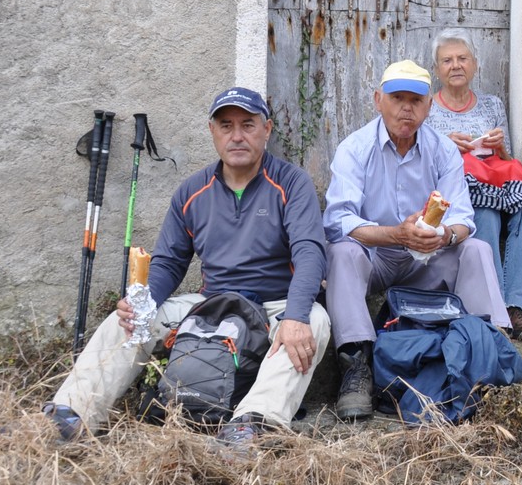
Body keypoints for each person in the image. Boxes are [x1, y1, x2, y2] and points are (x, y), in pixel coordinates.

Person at [43, 87, 331, 451]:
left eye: (248, 124)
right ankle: (70, 416)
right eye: (226, 126)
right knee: (127, 320)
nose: (237, 136)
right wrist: (143, 303)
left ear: (267, 129)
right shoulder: (192, 191)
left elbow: (309, 252)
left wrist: (296, 314)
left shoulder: (291, 183)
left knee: (314, 320)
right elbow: (169, 261)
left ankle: (250, 427)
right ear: (212, 131)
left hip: (274, 304)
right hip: (212, 303)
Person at [323, 60, 513, 421]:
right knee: (342, 252)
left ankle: (491, 351)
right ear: (378, 100)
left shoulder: (443, 150)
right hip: (375, 257)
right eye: (397, 98)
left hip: (427, 258)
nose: (406, 109)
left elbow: (463, 219)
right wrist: (396, 234)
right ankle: (356, 365)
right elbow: (338, 219)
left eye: (415, 100)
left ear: (429, 106)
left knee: (477, 248)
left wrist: (443, 236)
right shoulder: (355, 148)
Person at [424, 30, 522, 342]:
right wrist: (445, 146)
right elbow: (419, 167)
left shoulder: (492, 105)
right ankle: (495, 310)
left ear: (475, 64)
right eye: (447, 60)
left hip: (496, 185)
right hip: (458, 193)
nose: (456, 65)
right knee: (485, 214)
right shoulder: (427, 109)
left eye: (462, 58)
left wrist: (499, 146)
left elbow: (507, 161)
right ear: (437, 69)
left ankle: (516, 307)